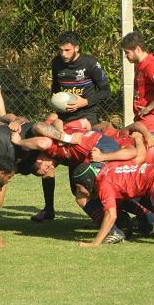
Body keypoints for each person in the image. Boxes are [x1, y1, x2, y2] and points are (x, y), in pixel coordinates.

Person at [32, 31, 111, 221]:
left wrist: (85, 102)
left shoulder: (90, 64)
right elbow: (56, 91)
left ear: (76, 48)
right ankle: (48, 209)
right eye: (61, 50)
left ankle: (99, 215)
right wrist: (55, 110)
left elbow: (106, 91)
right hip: (64, 119)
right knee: (46, 161)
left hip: (85, 119)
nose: (64, 54)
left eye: (67, 50)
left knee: (76, 177)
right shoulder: (57, 64)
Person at [120, 31, 154, 136]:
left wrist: (148, 109)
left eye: (127, 52)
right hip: (143, 123)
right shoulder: (140, 65)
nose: (126, 56)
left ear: (138, 49)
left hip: (151, 125)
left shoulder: (150, 66)